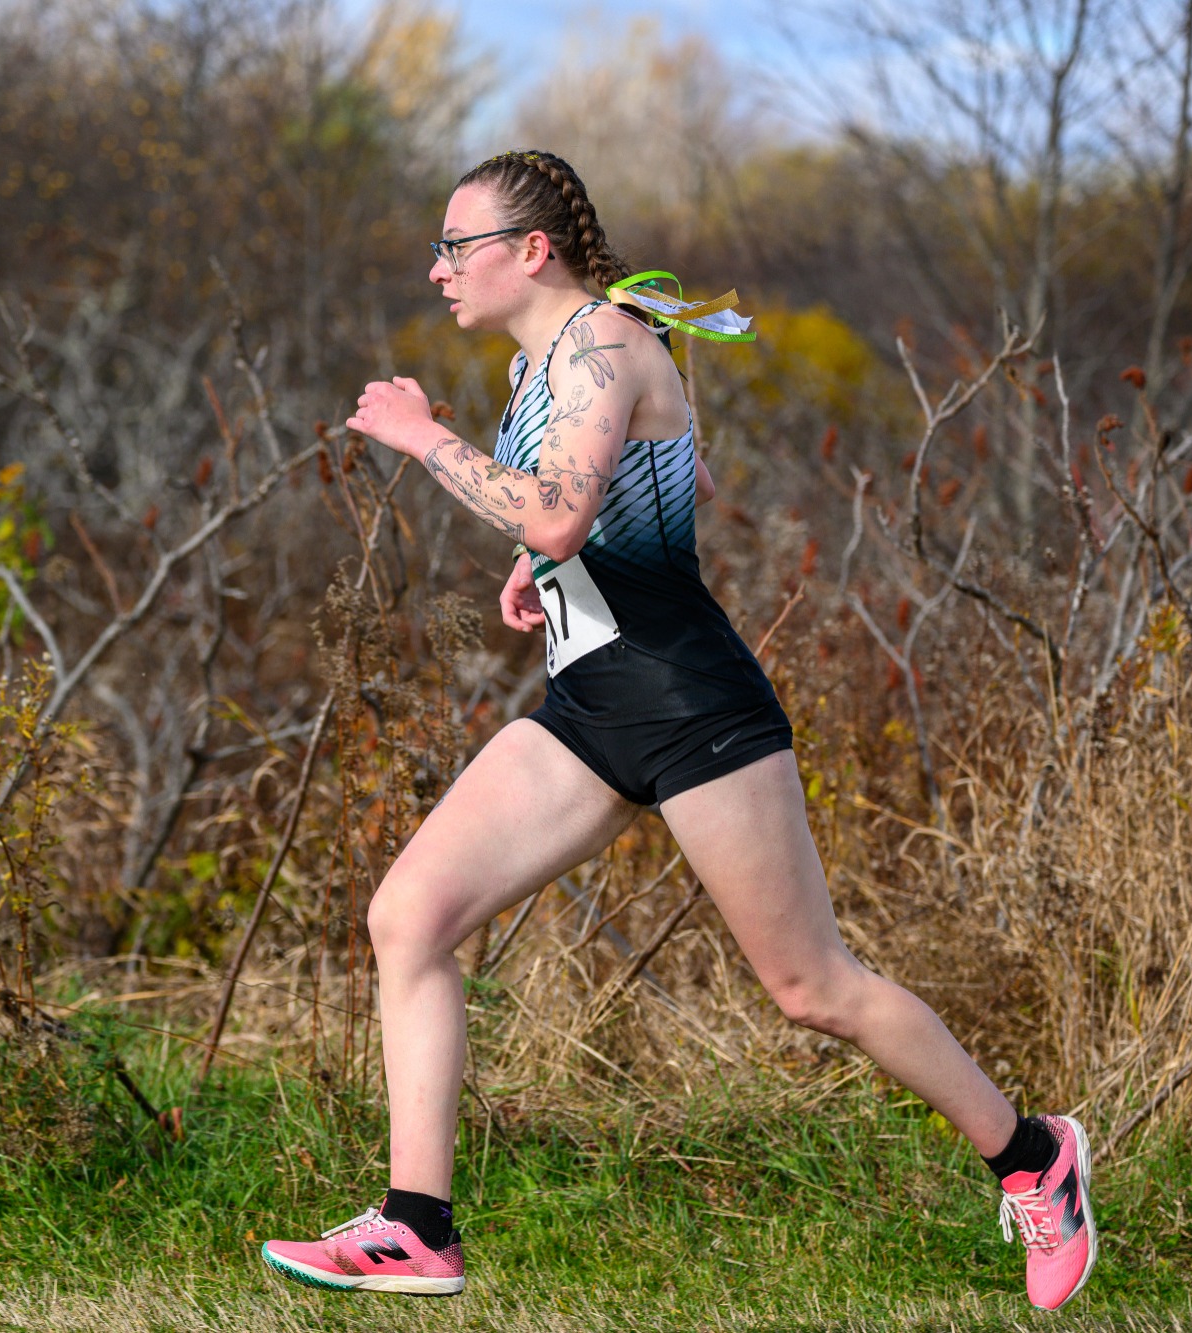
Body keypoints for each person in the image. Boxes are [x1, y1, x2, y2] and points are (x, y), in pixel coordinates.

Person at [258, 150, 1096, 1311]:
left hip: (691, 706)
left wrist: (420, 439)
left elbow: (557, 513)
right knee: (407, 918)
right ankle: (415, 1227)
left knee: (812, 988)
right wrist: (533, 568)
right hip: (590, 709)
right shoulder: (541, 358)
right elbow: (618, 497)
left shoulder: (606, 341)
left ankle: (1031, 1157)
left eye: (455, 246)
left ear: (528, 250)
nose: (436, 268)